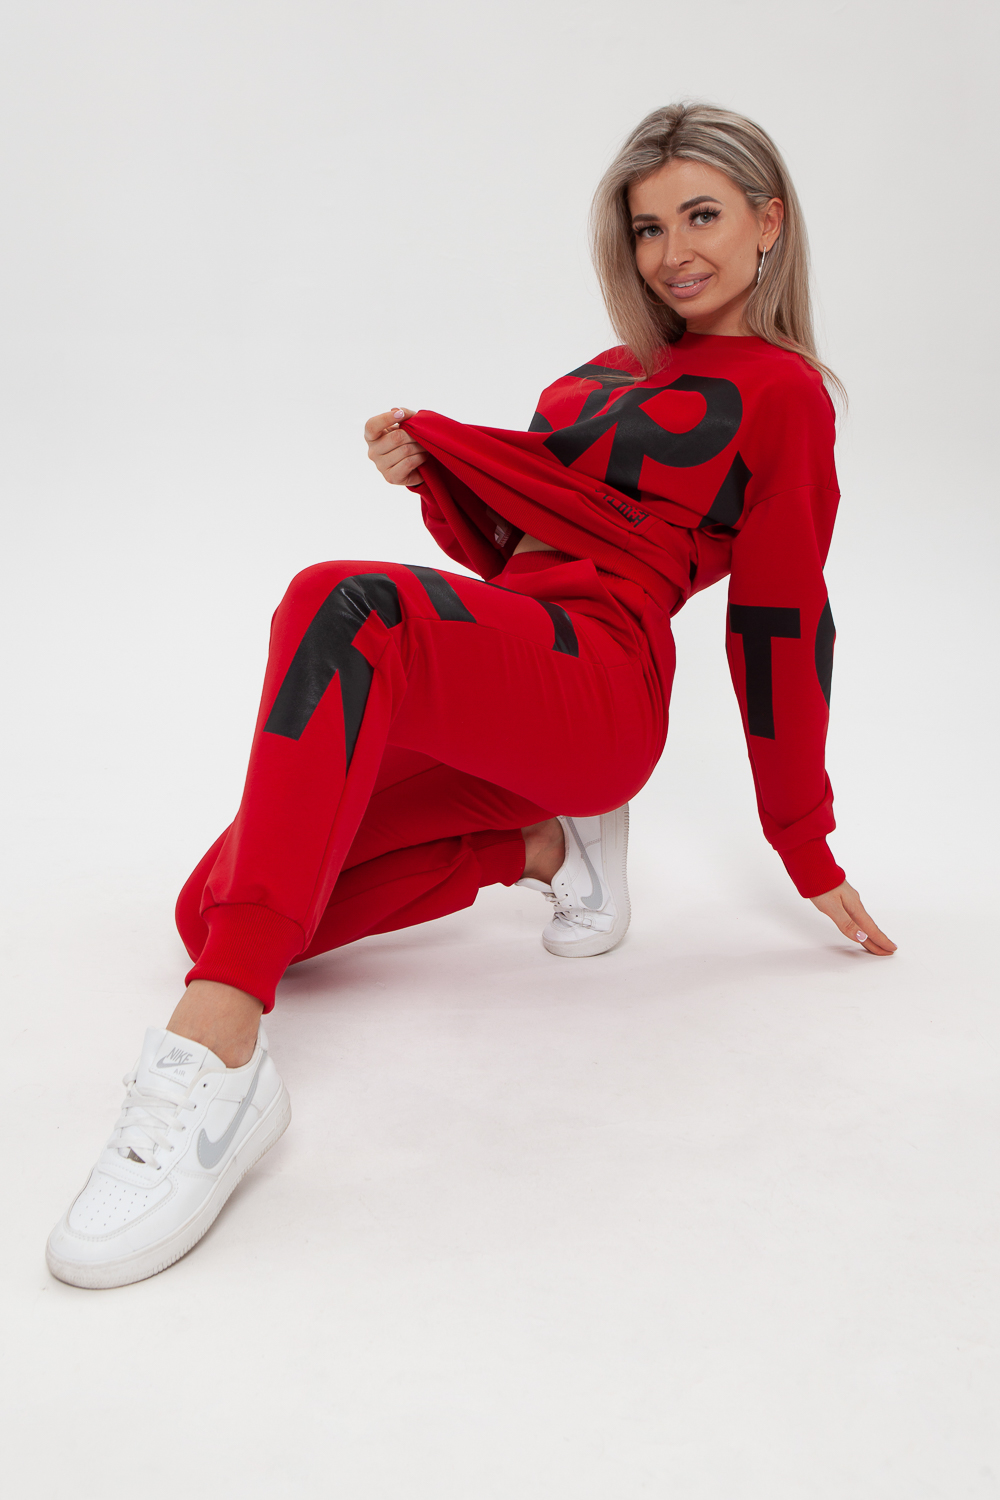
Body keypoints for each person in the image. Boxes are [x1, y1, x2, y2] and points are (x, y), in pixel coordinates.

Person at [46, 102, 895, 1290]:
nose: (672, 252)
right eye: (647, 228)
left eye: (700, 216)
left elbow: (782, 618)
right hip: (521, 667)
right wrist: (437, 479)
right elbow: (520, 555)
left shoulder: (784, 393)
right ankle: (541, 846)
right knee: (209, 913)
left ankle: (220, 1059)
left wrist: (803, 840)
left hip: (601, 684)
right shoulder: (593, 378)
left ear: (768, 221)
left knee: (340, 605)